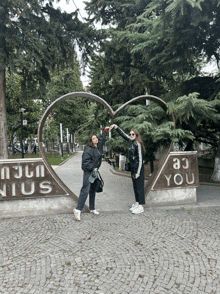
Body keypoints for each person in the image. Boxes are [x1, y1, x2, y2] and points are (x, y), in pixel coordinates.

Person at [73, 127, 109, 221]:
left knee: (92, 190)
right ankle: (78, 210)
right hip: (88, 173)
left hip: (94, 172)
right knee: (85, 190)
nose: (96, 139)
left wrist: (105, 131)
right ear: (90, 141)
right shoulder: (88, 149)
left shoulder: (97, 148)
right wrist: (93, 168)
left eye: (96, 138)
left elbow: (102, 139)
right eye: (93, 138)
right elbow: (84, 164)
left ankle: (92, 208)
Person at [109, 124, 146, 214]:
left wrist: (138, 172)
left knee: (139, 187)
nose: (131, 136)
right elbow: (123, 134)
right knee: (135, 187)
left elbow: (141, 159)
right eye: (130, 134)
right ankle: (137, 203)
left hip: (138, 169)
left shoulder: (138, 144)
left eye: (133, 134)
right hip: (133, 168)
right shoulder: (130, 141)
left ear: (136, 135)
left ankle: (141, 206)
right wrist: (115, 126)